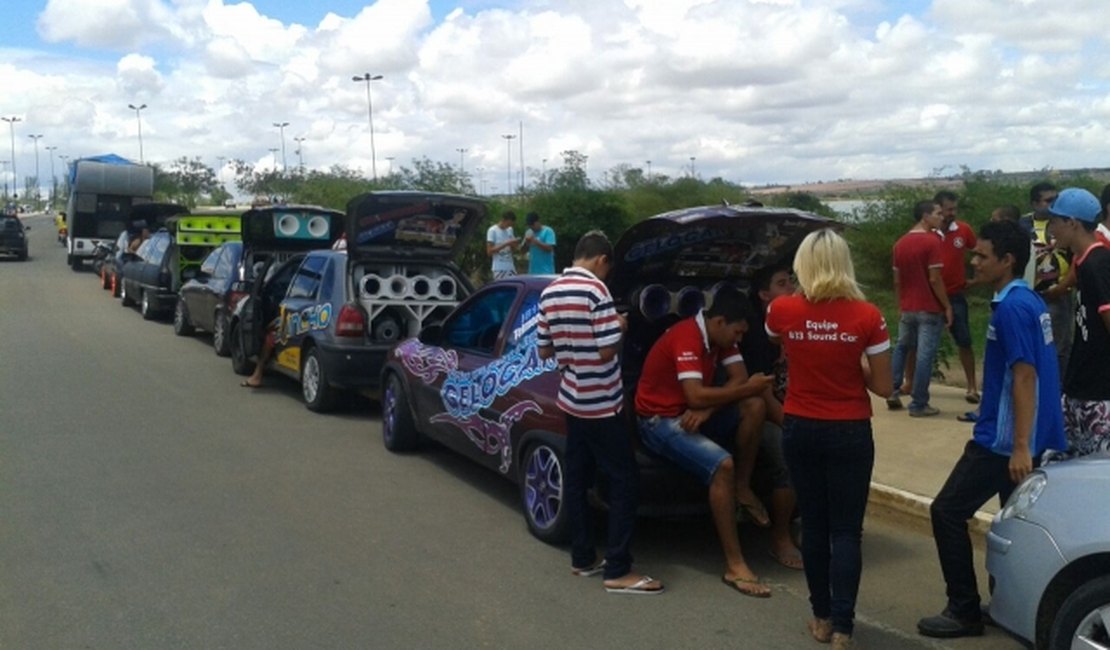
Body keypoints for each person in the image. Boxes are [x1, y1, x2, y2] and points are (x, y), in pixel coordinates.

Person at [917, 219, 1066, 639]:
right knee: (1012, 527)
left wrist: (1020, 446)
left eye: (982, 255)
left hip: (1003, 441)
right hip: (1023, 435)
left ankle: (963, 609)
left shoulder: (1014, 307)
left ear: (1007, 260)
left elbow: (1024, 376)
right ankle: (1009, 607)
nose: (974, 261)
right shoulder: (1027, 300)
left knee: (946, 511)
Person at [765, 228, 892, 648]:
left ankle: (820, 618)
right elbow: (885, 388)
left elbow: (774, 340)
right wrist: (852, 365)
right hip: (850, 427)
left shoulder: (782, 309)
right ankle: (844, 627)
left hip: (800, 425)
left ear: (804, 264)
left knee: (815, 527)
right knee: (846, 531)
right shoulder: (868, 315)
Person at [536, 230, 663, 595]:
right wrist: (620, 326)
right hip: (603, 404)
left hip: (572, 400)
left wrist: (572, 347)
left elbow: (544, 352)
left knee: (577, 479)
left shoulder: (550, 292)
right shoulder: (596, 291)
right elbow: (607, 352)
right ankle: (619, 570)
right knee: (625, 481)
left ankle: (583, 559)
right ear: (602, 260)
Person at [635, 288, 776, 597]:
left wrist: (707, 409)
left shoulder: (720, 336)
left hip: (692, 412)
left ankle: (742, 486)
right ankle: (735, 565)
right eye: (737, 332)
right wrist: (702, 403)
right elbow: (695, 393)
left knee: (755, 404)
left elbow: (738, 379)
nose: (738, 340)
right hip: (659, 421)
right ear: (720, 321)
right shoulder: (687, 336)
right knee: (721, 464)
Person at [739, 263, 804, 569]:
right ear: (764, 295)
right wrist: (787, 420)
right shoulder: (755, 335)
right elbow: (760, 387)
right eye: (782, 284)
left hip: (797, 406)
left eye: (791, 281)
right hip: (766, 410)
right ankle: (781, 537)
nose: (790, 288)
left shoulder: (799, 320)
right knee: (788, 453)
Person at [1043, 188, 1110, 457]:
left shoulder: (1099, 264)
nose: (1052, 229)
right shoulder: (1083, 263)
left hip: (1099, 393)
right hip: (1079, 387)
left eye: (1056, 222)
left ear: (1072, 223)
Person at [888, 200, 952, 416]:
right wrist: (946, 305)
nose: (941, 217)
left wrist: (900, 303)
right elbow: (935, 279)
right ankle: (919, 403)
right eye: (937, 213)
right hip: (929, 307)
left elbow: (897, 280)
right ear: (925, 217)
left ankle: (892, 390)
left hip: (908, 306)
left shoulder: (900, 244)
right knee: (925, 354)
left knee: (902, 347)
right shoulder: (932, 242)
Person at [935, 191, 980, 404]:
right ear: (938, 208)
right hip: (930, 296)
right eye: (948, 209)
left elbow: (980, 251)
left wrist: (975, 279)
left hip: (955, 294)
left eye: (955, 209)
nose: (952, 213)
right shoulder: (928, 232)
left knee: (964, 340)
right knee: (915, 342)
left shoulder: (963, 230)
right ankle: (910, 382)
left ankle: (971, 386)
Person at [1025, 182, 1073, 380]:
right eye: (1048, 200)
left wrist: (1065, 285)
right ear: (1035, 203)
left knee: (1059, 348)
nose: (1053, 205)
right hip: (1029, 295)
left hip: (1058, 295)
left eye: (1056, 200)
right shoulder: (1023, 225)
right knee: (1030, 345)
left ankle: (1059, 393)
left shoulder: (1064, 223)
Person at [486, 211, 519, 279]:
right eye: (508, 224)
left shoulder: (509, 230)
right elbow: (489, 251)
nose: (508, 227)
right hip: (499, 268)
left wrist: (514, 244)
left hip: (510, 267)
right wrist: (506, 243)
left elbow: (514, 249)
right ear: (504, 220)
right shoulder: (492, 231)